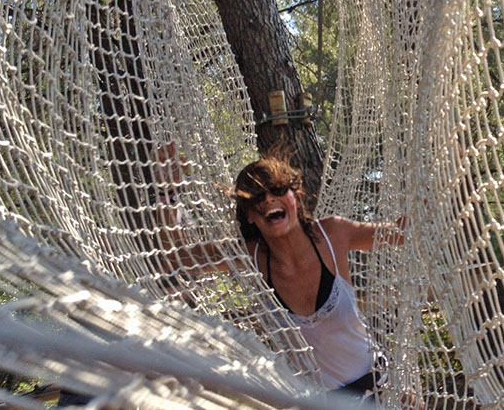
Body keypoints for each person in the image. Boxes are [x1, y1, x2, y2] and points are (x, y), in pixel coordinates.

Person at [152, 143, 402, 398]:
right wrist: (168, 191)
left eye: (278, 190)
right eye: (258, 197)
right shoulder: (251, 256)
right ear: (251, 216)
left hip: (380, 388)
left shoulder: (333, 235)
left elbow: (402, 233)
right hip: (322, 403)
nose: (269, 199)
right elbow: (175, 257)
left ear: (297, 197)